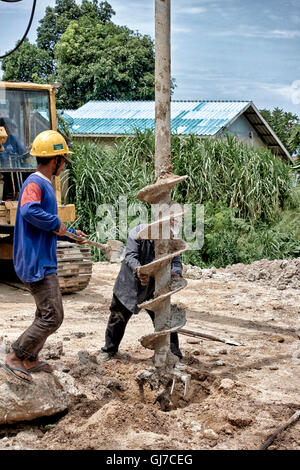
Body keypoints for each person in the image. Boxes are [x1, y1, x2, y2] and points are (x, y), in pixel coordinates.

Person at [0, 130, 87, 384]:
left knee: (44, 314)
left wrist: (70, 234)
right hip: (36, 261)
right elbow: (28, 211)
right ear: (55, 160)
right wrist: (57, 223)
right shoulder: (35, 183)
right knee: (53, 316)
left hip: (42, 257)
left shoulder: (43, 185)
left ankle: (30, 357)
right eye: (63, 159)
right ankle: (16, 355)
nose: (63, 164)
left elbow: (46, 227)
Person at [99, 223, 184, 367]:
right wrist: (139, 270)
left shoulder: (170, 240)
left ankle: (173, 355)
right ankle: (109, 350)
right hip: (129, 284)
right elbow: (130, 256)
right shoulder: (137, 233)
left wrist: (176, 273)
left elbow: (176, 261)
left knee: (165, 320)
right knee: (117, 318)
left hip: (155, 288)